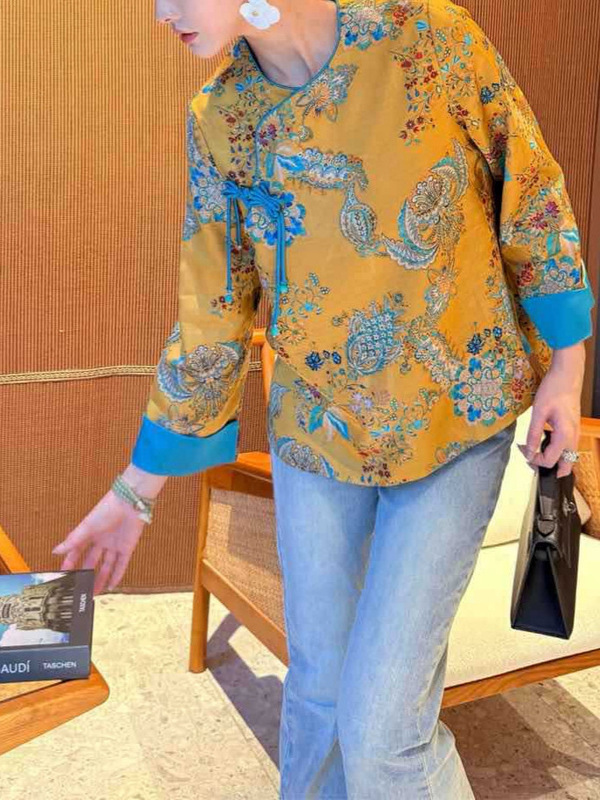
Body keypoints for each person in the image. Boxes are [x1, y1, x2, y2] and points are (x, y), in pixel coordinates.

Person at [52, 0, 595, 796]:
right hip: (318, 436)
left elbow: (532, 190)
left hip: (455, 422)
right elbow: (214, 313)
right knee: (316, 698)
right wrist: (135, 491)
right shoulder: (221, 118)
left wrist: (567, 366)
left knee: (385, 735)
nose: (161, 13)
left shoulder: (427, 37)